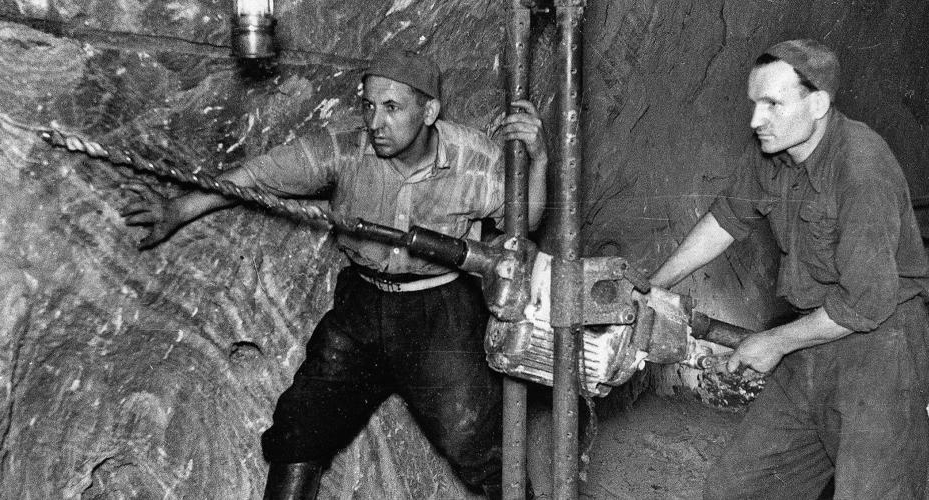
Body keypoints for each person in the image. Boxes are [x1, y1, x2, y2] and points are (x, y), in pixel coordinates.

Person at [95, 49, 548, 499]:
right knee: (299, 427)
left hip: (439, 311)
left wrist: (541, 160)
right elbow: (257, 175)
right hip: (363, 305)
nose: (375, 122)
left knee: (477, 442)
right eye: (368, 106)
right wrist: (178, 209)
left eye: (392, 108)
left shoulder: (473, 158)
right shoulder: (346, 150)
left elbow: (523, 222)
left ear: (429, 111)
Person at [646, 39, 929, 499]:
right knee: (735, 491)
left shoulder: (862, 169)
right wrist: (654, 287)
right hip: (811, 340)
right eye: (755, 104)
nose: (757, 121)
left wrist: (773, 342)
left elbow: (865, 303)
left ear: (817, 104)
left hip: (881, 353)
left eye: (773, 104)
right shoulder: (771, 154)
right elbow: (726, 219)